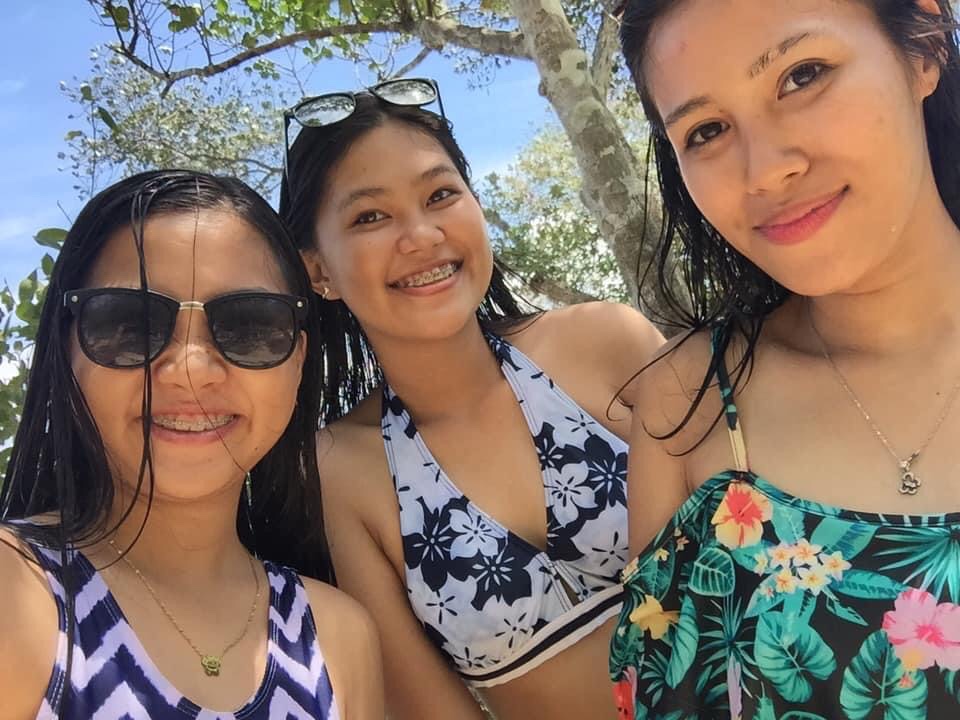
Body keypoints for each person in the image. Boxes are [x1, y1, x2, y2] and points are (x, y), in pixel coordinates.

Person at [610, 0, 960, 717]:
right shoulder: (689, 402)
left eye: (803, 76)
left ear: (923, 46)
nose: (764, 172)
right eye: (707, 130)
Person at [279, 79, 664, 719]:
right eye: (370, 216)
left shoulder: (607, 342)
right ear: (318, 270)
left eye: (440, 195)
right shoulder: (339, 471)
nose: (421, 234)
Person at [0, 170, 383, 719]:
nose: (190, 370)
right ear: (67, 351)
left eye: (251, 326)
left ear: (298, 361)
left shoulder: (339, 639)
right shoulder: (15, 592)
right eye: (129, 324)